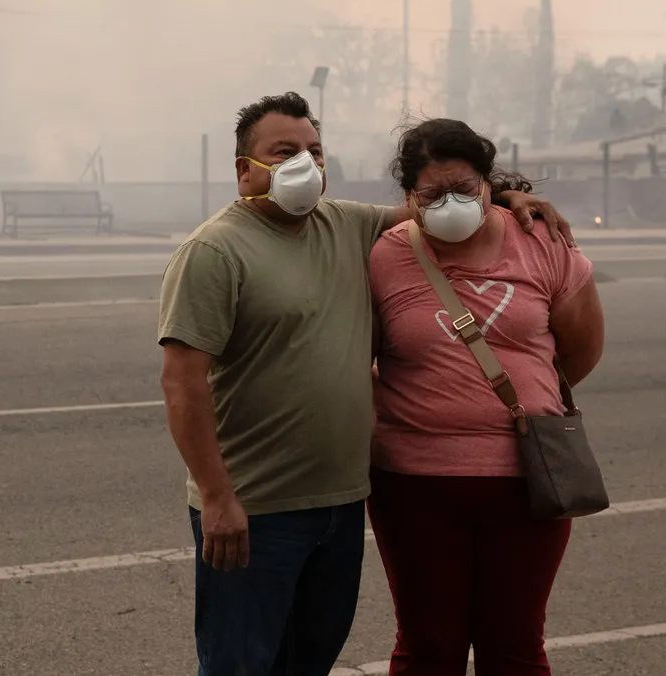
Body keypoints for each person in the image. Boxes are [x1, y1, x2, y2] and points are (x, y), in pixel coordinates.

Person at [157, 93, 572, 676]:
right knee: (240, 664)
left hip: (342, 504)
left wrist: (504, 194)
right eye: (284, 151)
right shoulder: (213, 251)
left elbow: (438, 203)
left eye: (315, 150)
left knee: (309, 660)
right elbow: (182, 386)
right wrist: (218, 498)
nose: (306, 162)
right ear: (244, 169)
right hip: (256, 509)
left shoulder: (345, 224)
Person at [367, 118, 605, 676]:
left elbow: (581, 352)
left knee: (515, 649)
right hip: (413, 487)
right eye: (432, 194)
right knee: (429, 649)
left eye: (465, 189)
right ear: (409, 198)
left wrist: (516, 399)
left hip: (529, 481)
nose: (450, 203)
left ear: (487, 184)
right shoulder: (383, 255)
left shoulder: (540, 240)